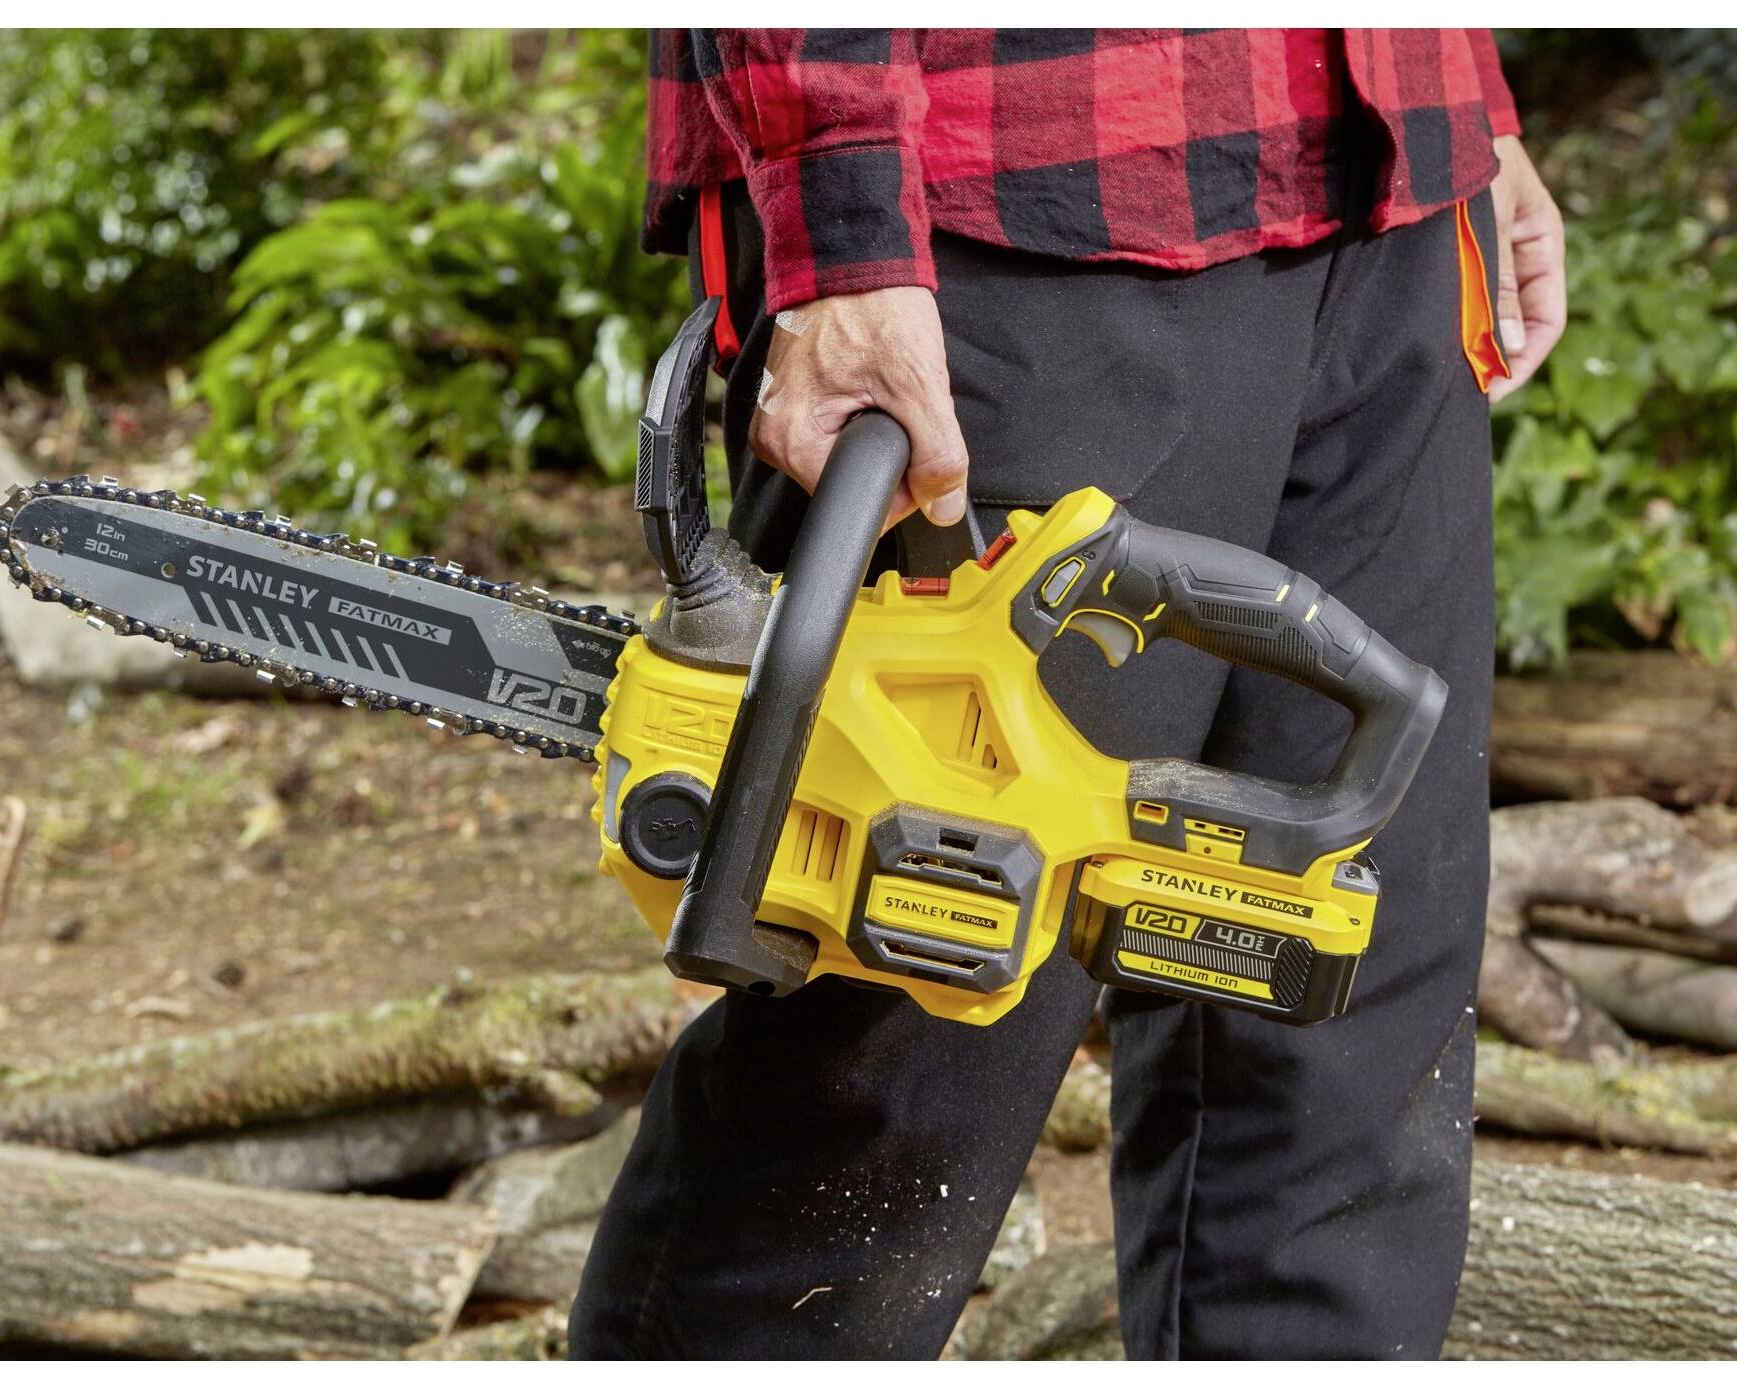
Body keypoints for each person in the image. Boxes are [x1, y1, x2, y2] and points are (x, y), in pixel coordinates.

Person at [571, 28, 1565, 1360]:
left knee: (1339, 1018)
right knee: (888, 1066)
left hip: (1383, 187)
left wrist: (1463, 102)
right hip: (1006, 208)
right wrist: (840, 222)